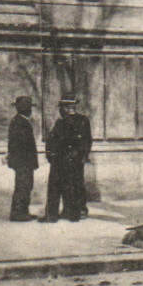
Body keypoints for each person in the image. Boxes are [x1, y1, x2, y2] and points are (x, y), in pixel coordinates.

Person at [42, 94, 93, 222]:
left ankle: (57, 215)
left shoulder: (71, 121)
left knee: (61, 187)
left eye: (62, 106)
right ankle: (68, 214)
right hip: (67, 160)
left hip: (66, 160)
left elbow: (85, 141)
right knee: (70, 186)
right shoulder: (72, 120)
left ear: (67, 107)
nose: (61, 109)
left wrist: (81, 155)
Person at [5, 96, 38, 222]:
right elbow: (22, 145)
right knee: (23, 186)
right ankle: (18, 213)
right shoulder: (21, 122)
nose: (28, 109)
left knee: (25, 186)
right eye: (27, 107)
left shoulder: (19, 121)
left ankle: (23, 212)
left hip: (23, 162)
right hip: (23, 162)